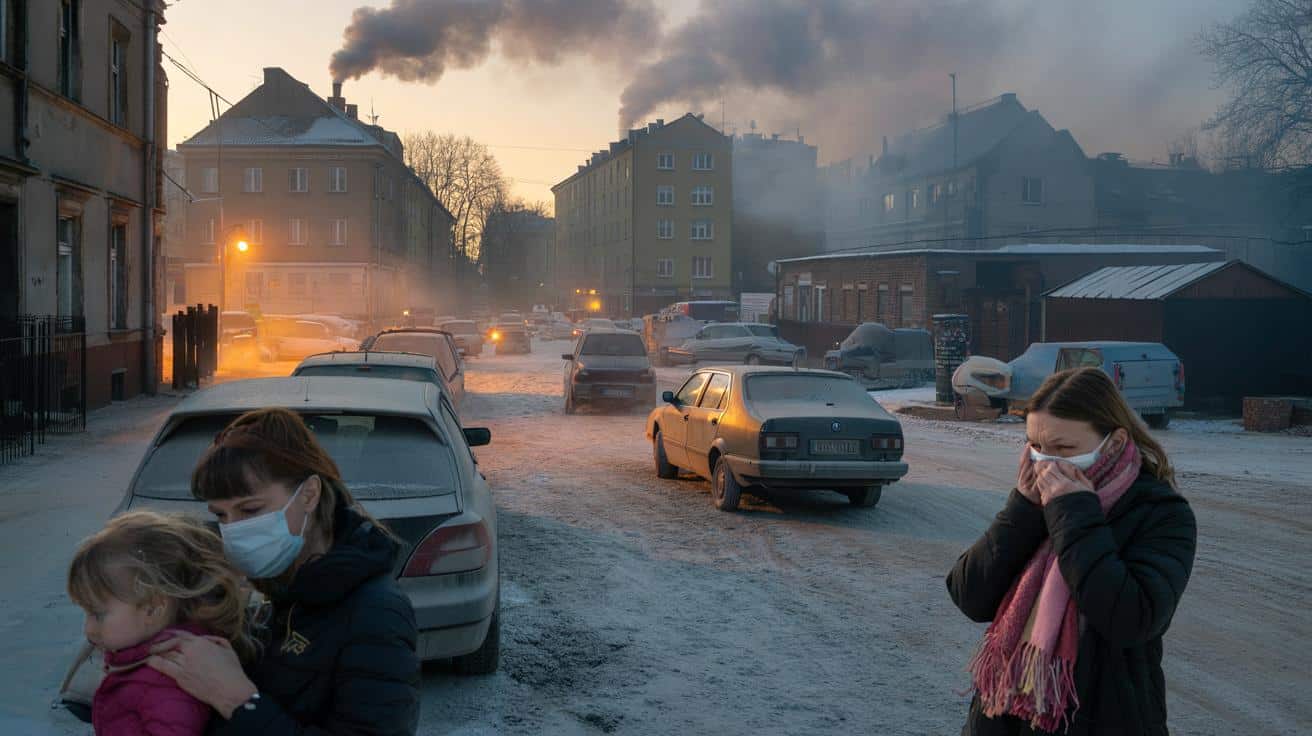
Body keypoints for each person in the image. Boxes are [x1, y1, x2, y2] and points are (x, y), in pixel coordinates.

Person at [947, 367, 1197, 735]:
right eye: (1036, 446)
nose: (1046, 463)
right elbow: (970, 597)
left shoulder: (1161, 514)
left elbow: (1131, 620)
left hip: (1102, 719)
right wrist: (1022, 509)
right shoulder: (1036, 502)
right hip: (1003, 718)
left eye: (1064, 449)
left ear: (1114, 443)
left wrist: (1074, 513)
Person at [146, 407, 420, 735]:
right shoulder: (266, 588)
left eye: (250, 509)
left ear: (309, 495)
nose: (234, 529)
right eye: (220, 515)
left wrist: (237, 699)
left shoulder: (375, 612)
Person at [67, 511, 254, 736]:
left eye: (97, 615)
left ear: (153, 608)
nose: (89, 630)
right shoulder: (144, 659)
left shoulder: (169, 678)